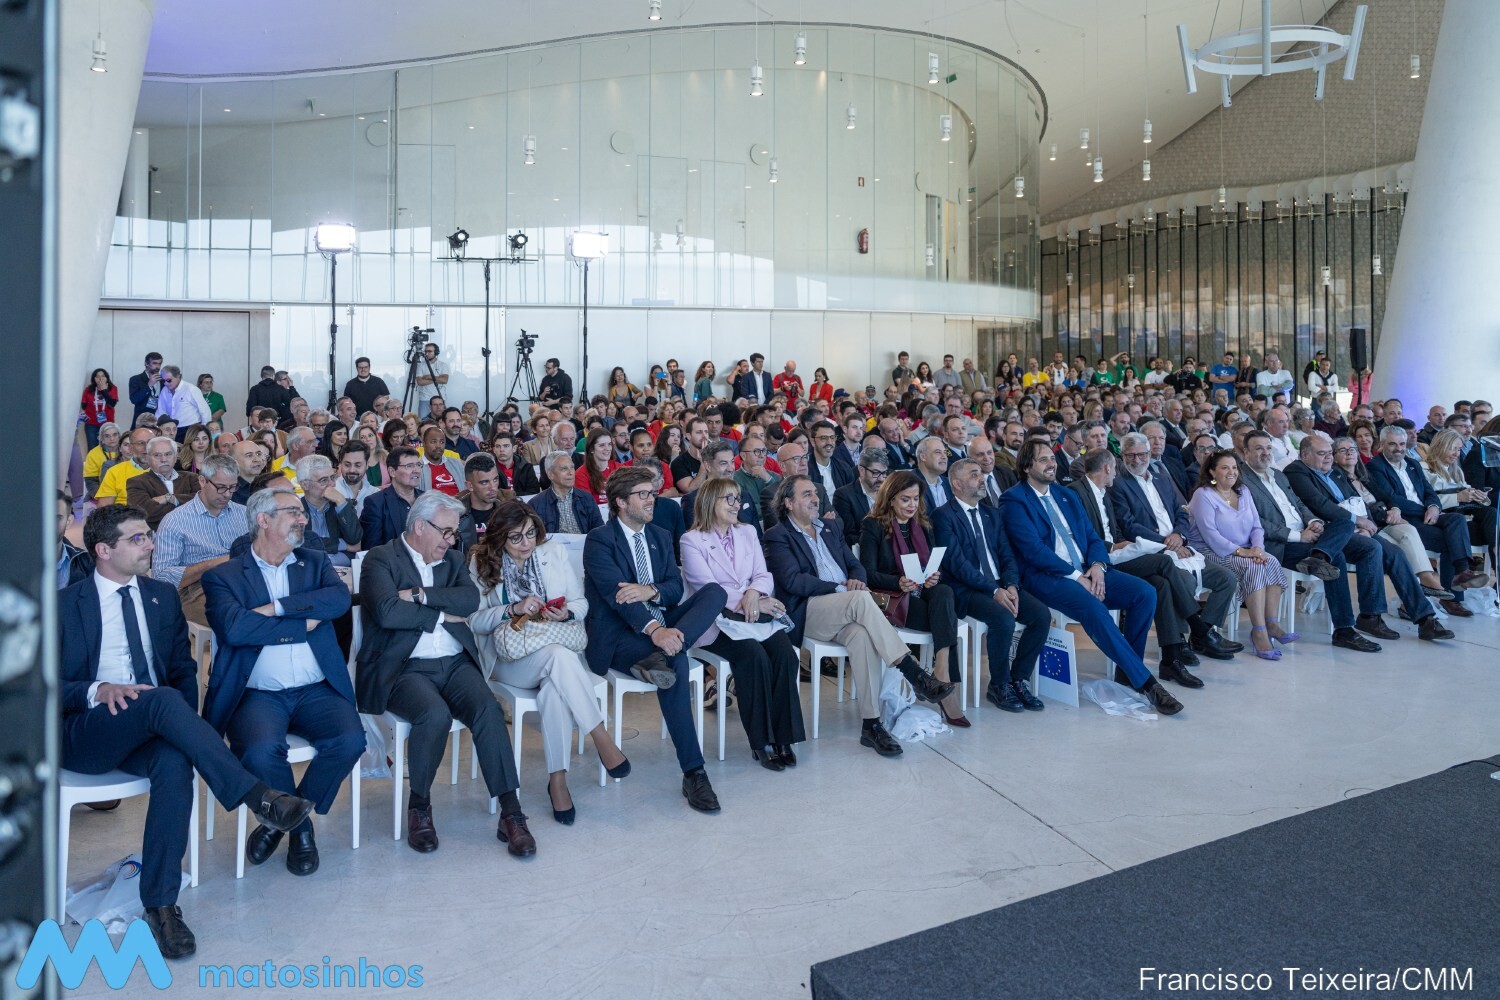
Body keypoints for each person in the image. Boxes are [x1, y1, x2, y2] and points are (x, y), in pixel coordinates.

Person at [61, 505, 316, 959]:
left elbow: (181, 670)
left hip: (150, 727)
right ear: (103, 550)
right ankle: (257, 796)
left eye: (149, 535)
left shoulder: (161, 596)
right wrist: (97, 689)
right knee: (160, 699)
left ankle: (161, 907)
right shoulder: (64, 604)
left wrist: (175, 722)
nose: (151, 545)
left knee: (175, 761)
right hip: (87, 731)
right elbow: (39, 685)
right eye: (137, 538)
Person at [356, 492, 534, 855]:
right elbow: (387, 613)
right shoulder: (381, 558)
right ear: (421, 526)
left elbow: (468, 601)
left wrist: (418, 595)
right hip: (403, 668)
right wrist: (440, 614)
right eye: (447, 532)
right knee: (433, 715)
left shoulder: (452, 560)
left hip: (454, 663)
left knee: (488, 710)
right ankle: (419, 806)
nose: (452, 541)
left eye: (454, 533)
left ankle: (511, 812)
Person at [199, 488, 363, 877]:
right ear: (264, 520)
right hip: (257, 694)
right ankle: (301, 831)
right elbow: (235, 629)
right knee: (259, 751)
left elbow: (338, 601)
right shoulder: (223, 576)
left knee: (350, 740)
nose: (303, 519)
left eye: (302, 512)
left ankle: (277, 821)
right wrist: (302, 624)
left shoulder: (314, 561)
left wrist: (276, 609)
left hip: (316, 689)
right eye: (293, 512)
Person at [763, 476, 955, 756]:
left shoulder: (830, 527)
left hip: (848, 607)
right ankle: (913, 672)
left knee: (862, 635)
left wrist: (855, 580)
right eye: (807, 494)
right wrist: (841, 588)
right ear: (788, 503)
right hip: (810, 611)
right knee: (861, 598)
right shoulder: (777, 535)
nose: (816, 499)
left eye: (816, 493)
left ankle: (871, 724)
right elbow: (793, 581)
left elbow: (856, 566)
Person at [468, 501, 628, 825]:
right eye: (516, 538)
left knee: (555, 688)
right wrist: (512, 609)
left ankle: (558, 781)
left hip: (553, 649)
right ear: (499, 537)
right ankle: (600, 735)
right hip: (507, 659)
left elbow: (581, 603)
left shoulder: (552, 552)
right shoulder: (481, 562)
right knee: (559, 657)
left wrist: (566, 613)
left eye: (530, 534)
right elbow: (473, 621)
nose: (526, 543)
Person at [998, 441, 1182, 714]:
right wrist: (1076, 576)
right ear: (1026, 467)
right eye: (1043, 460)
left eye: (1052, 458)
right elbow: (1033, 550)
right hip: (1046, 576)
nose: (1051, 464)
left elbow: (1093, 538)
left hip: (1085, 568)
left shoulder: (1066, 495)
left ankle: (1127, 671)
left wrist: (1097, 566)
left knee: (1144, 593)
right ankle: (1147, 684)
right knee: (1094, 607)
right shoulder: (1014, 500)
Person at [582, 467, 726, 813]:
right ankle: (694, 772)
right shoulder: (600, 539)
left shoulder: (659, 535)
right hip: (620, 636)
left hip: (664, 624)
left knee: (714, 593)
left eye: (652, 493)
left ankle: (668, 648)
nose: (652, 500)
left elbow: (675, 587)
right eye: (643, 494)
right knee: (676, 662)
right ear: (620, 502)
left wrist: (651, 592)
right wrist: (654, 630)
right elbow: (618, 597)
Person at [681, 477, 805, 769]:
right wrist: (753, 601)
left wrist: (753, 594)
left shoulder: (747, 532)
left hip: (752, 615)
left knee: (785, 654)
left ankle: (784, 738)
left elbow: (763, 575)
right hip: (715, 620)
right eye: (729, 499)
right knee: (754, 656)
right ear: (710, 502)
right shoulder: (692, 540)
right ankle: (761, 741)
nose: (737, 504)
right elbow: (708, 588)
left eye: (738, 498)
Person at [1285, 434, 1455, 640]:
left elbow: (1359, 501)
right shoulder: (1297, 471)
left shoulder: (1335, 473)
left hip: (1355, 527)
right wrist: (1357, 521)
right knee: (1374, 548)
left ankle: (1425, 619)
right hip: (1331, 532)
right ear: (1305, 455)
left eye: (1330, 453)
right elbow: (1319, 504)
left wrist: (1368, 524)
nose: (1329, 457)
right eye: (1322, 454)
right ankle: (1370, 616)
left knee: (1396, 554)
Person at [1104, 437, 1242, 670]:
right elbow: (1128, 525)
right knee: (1183, 581)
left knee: (1227, 579)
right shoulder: (1118, 483)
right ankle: (1180, 641)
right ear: (1122, 456)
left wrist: (1179, 536)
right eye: (1130, 455)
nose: (1137, 460)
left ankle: (1202, 634)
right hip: (1150, 549)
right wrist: (1167, 544)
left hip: (1180, 545)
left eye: (1142, 454)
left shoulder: (1161, 478)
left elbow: (1181, 512)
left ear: (1150, 454)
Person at [934, 458, 1051, 712]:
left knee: (1041, 615)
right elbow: (956, 564)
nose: (982, 479)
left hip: (1000, 584)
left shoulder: (992, 513)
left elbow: (1007, 555)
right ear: (957, 484)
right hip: (967, 589)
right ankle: (999, 684)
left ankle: (1018, 679)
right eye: (974, 474)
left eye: (981, 474)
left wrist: (1011, 585)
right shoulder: (943, 516)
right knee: (1003, 619)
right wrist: (994, 590)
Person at [858, 470, 966, 724]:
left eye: (915, 499)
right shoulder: (873, 525)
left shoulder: (923, 525)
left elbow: (933, 565)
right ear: (891, 498)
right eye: (905, 499)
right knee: (947, 620)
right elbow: (868, 573)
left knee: (944, 591)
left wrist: (932, 577)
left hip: (922, 590)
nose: (912, 505)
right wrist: (897, 581)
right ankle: (945, 686)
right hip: (893, 597)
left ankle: (940, 671)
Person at [1184, 450, 1290, 660]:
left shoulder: (1243, 491)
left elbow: (1257, 526)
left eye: (1234, 467)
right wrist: (1245, 553)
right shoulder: (1203, 495)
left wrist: (1258, 548)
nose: (1231, 472)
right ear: (1212, 472)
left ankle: (1271, 623)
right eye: (1225, 468)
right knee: (1253, 566)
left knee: (1270, 561)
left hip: (1246, 549)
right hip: (1209, 551)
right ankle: (1259, 632)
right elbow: (1211, 536)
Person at [1364, 425, 1487, 594]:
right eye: (1393, 444)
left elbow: (1429, 492)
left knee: (1456, 519)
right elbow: (1392, 498)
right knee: (1451, 541)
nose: (1399, 448)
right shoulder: (1375, 466)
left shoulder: (1412, 464)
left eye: (1402, 444)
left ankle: (1462, 572)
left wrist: (1434, 507)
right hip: (1404, 519)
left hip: (1426, 514)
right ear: (1382, 444)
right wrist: (1426, 510)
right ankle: (1452, 595)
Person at [1423, 428, 1498, 571]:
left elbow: (1468, 494)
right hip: (1443, 520)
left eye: (1459, 450)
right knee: (1491, 529)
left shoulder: (1456, 471)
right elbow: (1425, 499)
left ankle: (1496, 552)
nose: (1456, 454)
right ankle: (1496, 555)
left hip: (1464, 517)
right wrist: (1458, 497)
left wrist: (1480, 496)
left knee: (1491, 512)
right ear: (1439, 445)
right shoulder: (1424, 468)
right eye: (1453, 448)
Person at [293, 455, 362, 562]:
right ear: (305, 485)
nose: (332, 484)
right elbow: (301, 543)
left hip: (342, 568)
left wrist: (341, 501)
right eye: (324, 480)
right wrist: (342, 545)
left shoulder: (342, 505)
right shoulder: (294, 510)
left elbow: (355, 541)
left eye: (333, 478)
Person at [127, 435, 201, 530]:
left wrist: (170, 498)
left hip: (193, 531)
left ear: (175, 457)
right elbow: (143, 512)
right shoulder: (137, 482)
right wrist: (187, 505)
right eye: (157, 455)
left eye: (168, 454)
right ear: (148, 458)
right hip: (157, 534)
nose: (163, 459)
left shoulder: (192, 478)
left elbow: (203, 503)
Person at [360, 446, 425, 549]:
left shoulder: (426, 499)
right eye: (409, 466)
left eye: (418, 465)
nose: (416, 470)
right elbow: (372, 549)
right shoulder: (376, 503)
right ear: (392, 472)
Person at [528, 451, 603, 535]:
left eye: (572, 467)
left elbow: (599, 531)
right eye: (564, 469)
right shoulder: (535, 504)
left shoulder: (587, 498)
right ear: (550, 474)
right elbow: (534, 537)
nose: (571, 473)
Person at [833, 448, 888, 547]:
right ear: (862, 471)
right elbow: (850, 536)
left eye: (883, 473)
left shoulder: (889, 492)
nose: (881, 479)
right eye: (876, 473)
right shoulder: (844, 495)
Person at [94, 427, 154, 505]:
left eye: (150, 443)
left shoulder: (165, 470)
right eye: (140, 443)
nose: (146, 447)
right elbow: (104, 507)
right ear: (131, 447)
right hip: (124, 511)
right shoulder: (114, 472)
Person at [158, 366, 212, 433]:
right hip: (173, 429)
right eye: (163, 381)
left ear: (178, 377)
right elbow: (161, 411)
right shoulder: (164, 391)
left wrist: (204, 430)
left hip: (191, 428)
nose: (166, 383)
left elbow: (205, 411)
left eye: (169, 380)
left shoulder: (191, 389)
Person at [576, 427, 622, 503]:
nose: (607, 448)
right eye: (602, 445)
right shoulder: (581, 475)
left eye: (609, 444)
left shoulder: (619, 468)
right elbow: (586, 504)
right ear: (591, 449)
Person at [417, 424, 465, 496]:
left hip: (459, 502)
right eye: (433, 442)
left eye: (442, 442)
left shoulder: (456, 463)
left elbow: (466, 489)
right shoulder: (417, 467)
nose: (438, 446)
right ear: (424, 443)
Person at [81, 368, 118, 450]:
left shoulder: (112, 388)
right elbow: (83, 406)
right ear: (94, 379)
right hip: (91, 423)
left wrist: (104, 390)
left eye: (103, 376)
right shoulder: (88, 390)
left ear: (107, 378)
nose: (100, 378)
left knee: (108, 447)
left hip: (107, 423)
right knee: (92, 447)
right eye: (97, 377)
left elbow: (112, 404)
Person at [412, 342, 449, 414]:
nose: (426, 353)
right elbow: (420, 382)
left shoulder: (443, 365)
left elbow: (444, 380)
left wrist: (428, 376)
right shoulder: (421, 365)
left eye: (429, 351)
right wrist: (437, 379)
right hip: (425, 399)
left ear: (436, 352)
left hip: (439, 399)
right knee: (423, 420)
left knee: (440, 419)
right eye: (425, 351)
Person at [127, 351, 164, 424]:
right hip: (142, 420)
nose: (157, 367)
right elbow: (134, 399)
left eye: (159, 364)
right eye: (154, 363)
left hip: (159, 419)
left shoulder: (163, 380)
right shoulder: (136, 379)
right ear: (146, 363)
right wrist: (149, 386)